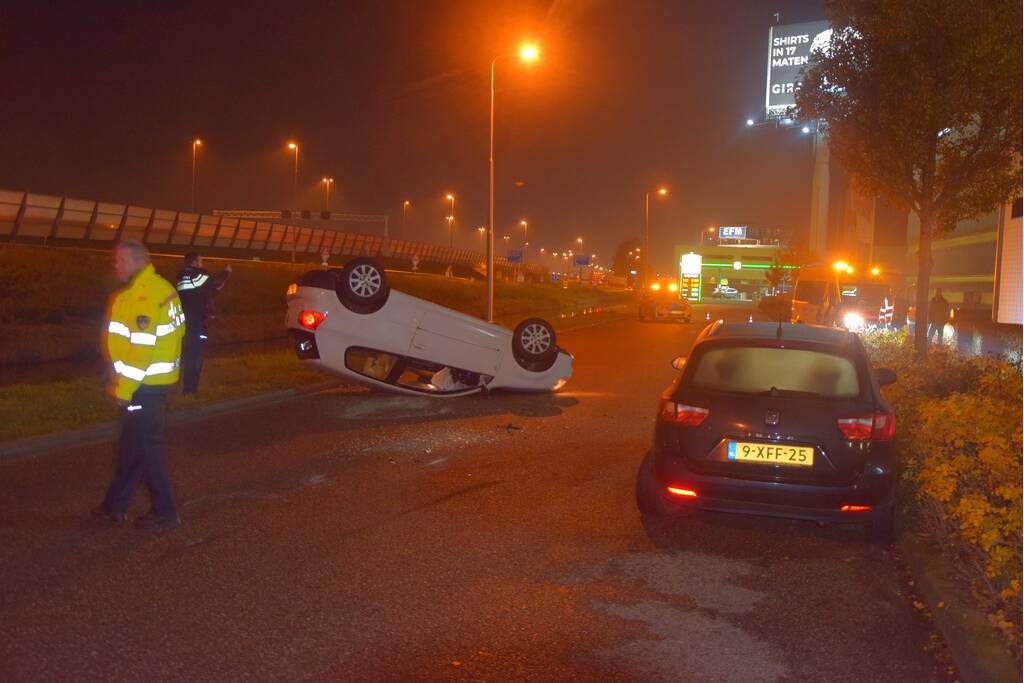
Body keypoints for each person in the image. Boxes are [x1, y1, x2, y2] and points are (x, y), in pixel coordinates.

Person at [93, 241, 185, 529]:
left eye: (121, 260)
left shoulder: (142, 297)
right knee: (131, 445)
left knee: (146, 448)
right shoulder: (160, 288)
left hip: (142, 386)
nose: (116, 265)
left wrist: (123, 389)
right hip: (152, 383)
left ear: (138, 262)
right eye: (115, 260)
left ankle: (165, 512)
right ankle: (114, 505)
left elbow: (140, 351)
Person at [175, 252, 231, 394]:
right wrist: (227, 272)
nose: (202, 264)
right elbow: (215, 280)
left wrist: (214, 290)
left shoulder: (182, 277)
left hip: (187, 322)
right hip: (197, 323)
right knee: (196, 357)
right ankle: (191, 390)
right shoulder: (197, 275)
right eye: (201, 261)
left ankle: (189, 388)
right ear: (194, 263)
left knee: (189, 356)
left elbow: (201, 293)